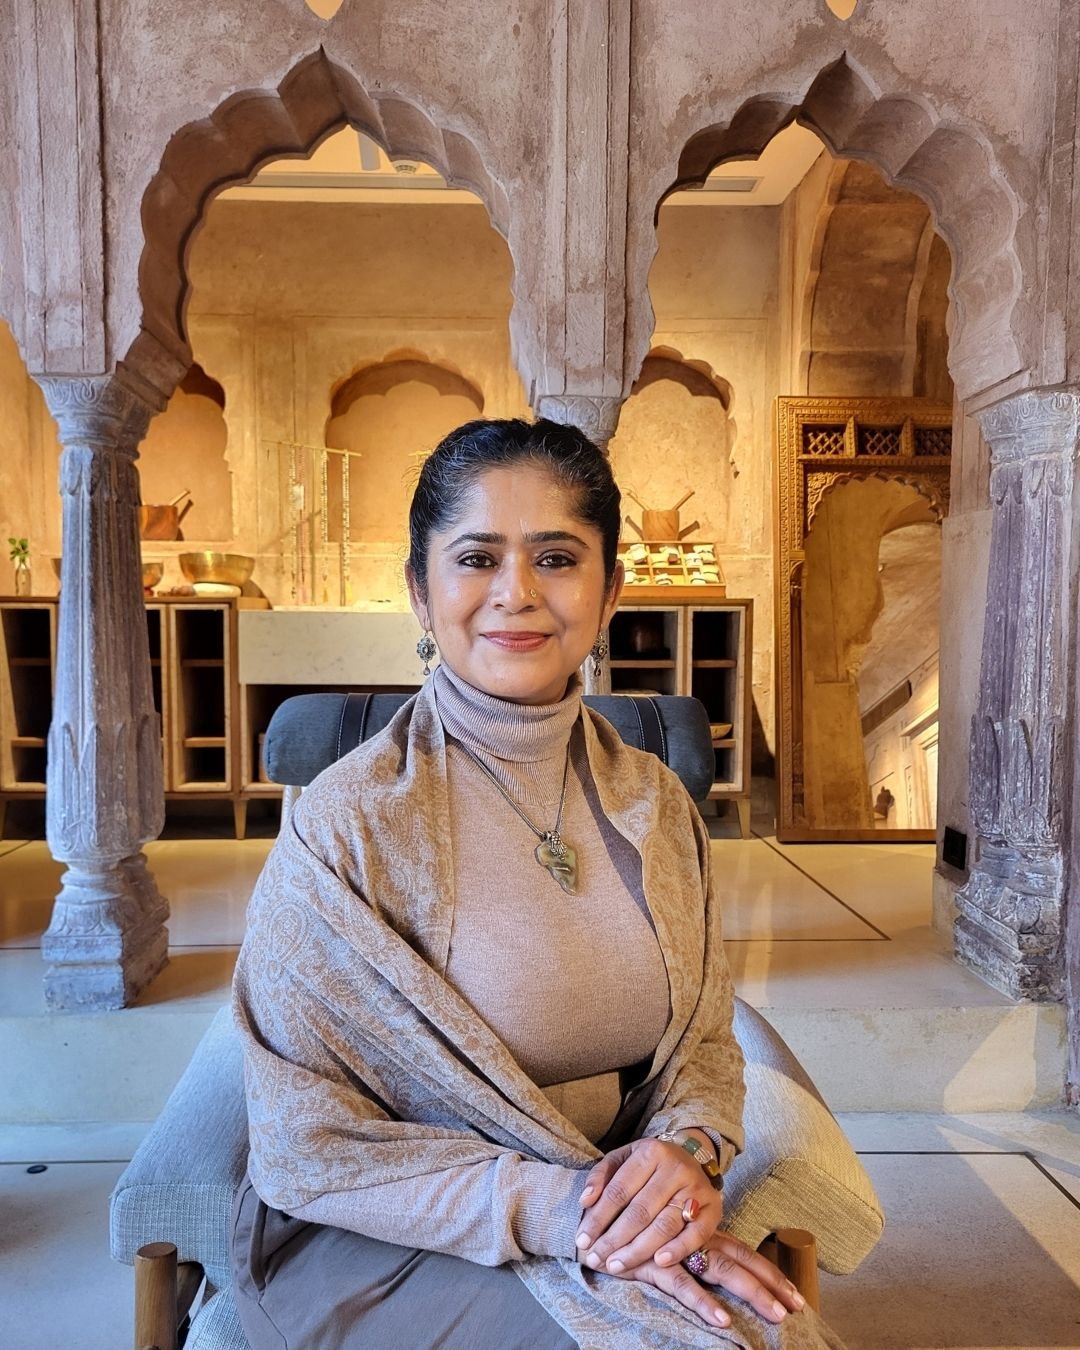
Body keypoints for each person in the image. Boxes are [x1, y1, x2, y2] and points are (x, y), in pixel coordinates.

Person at [231, 418, 846, 1348]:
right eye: (477, 558)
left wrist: (684, 1152)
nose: (516, 592)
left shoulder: (655, 806)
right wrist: (582, 1219)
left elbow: (705, 1042)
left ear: (610, 593)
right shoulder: (348, 825)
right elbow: (305, 1144)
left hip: (604, 1206)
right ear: (421, 590)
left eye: (556, 558)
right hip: (387, 1235)